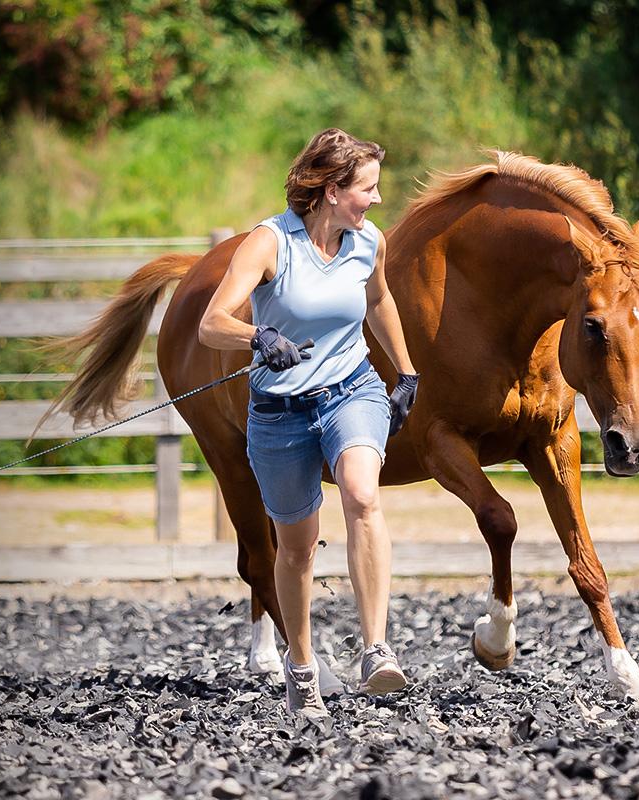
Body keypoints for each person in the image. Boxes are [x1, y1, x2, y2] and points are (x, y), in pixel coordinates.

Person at [199, 128, 419, 716]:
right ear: (329, 190)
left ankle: (376, 649)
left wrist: (406, 371)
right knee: (296, 549)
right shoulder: (271, 242)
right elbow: (210, 323)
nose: (375, 200)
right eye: (366, 188)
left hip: (351, 390)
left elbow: (378, 301)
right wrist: (258, 335)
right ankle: (301, 666)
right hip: (279, 411)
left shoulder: (367, 240)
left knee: (361, 494)